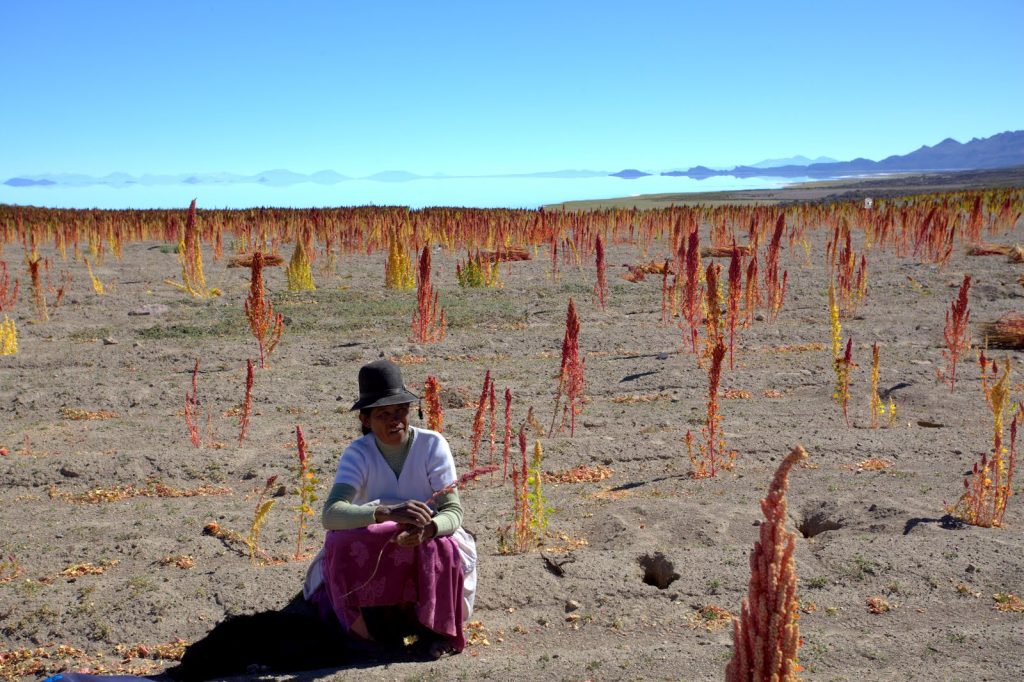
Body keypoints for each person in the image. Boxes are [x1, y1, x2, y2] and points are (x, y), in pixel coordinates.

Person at [303, 359, 476, 658]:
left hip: (428, 535)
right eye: (383, 414)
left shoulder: (432, 445)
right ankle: (367, 635)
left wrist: (429, 528)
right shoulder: (358, 453)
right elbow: (331, 514)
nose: (395, 420)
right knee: (339, 541)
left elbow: (453, 512)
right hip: (379, 541)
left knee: (440, 547)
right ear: (366, 420)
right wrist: (385, 512)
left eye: (400, 412)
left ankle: (436, 633)